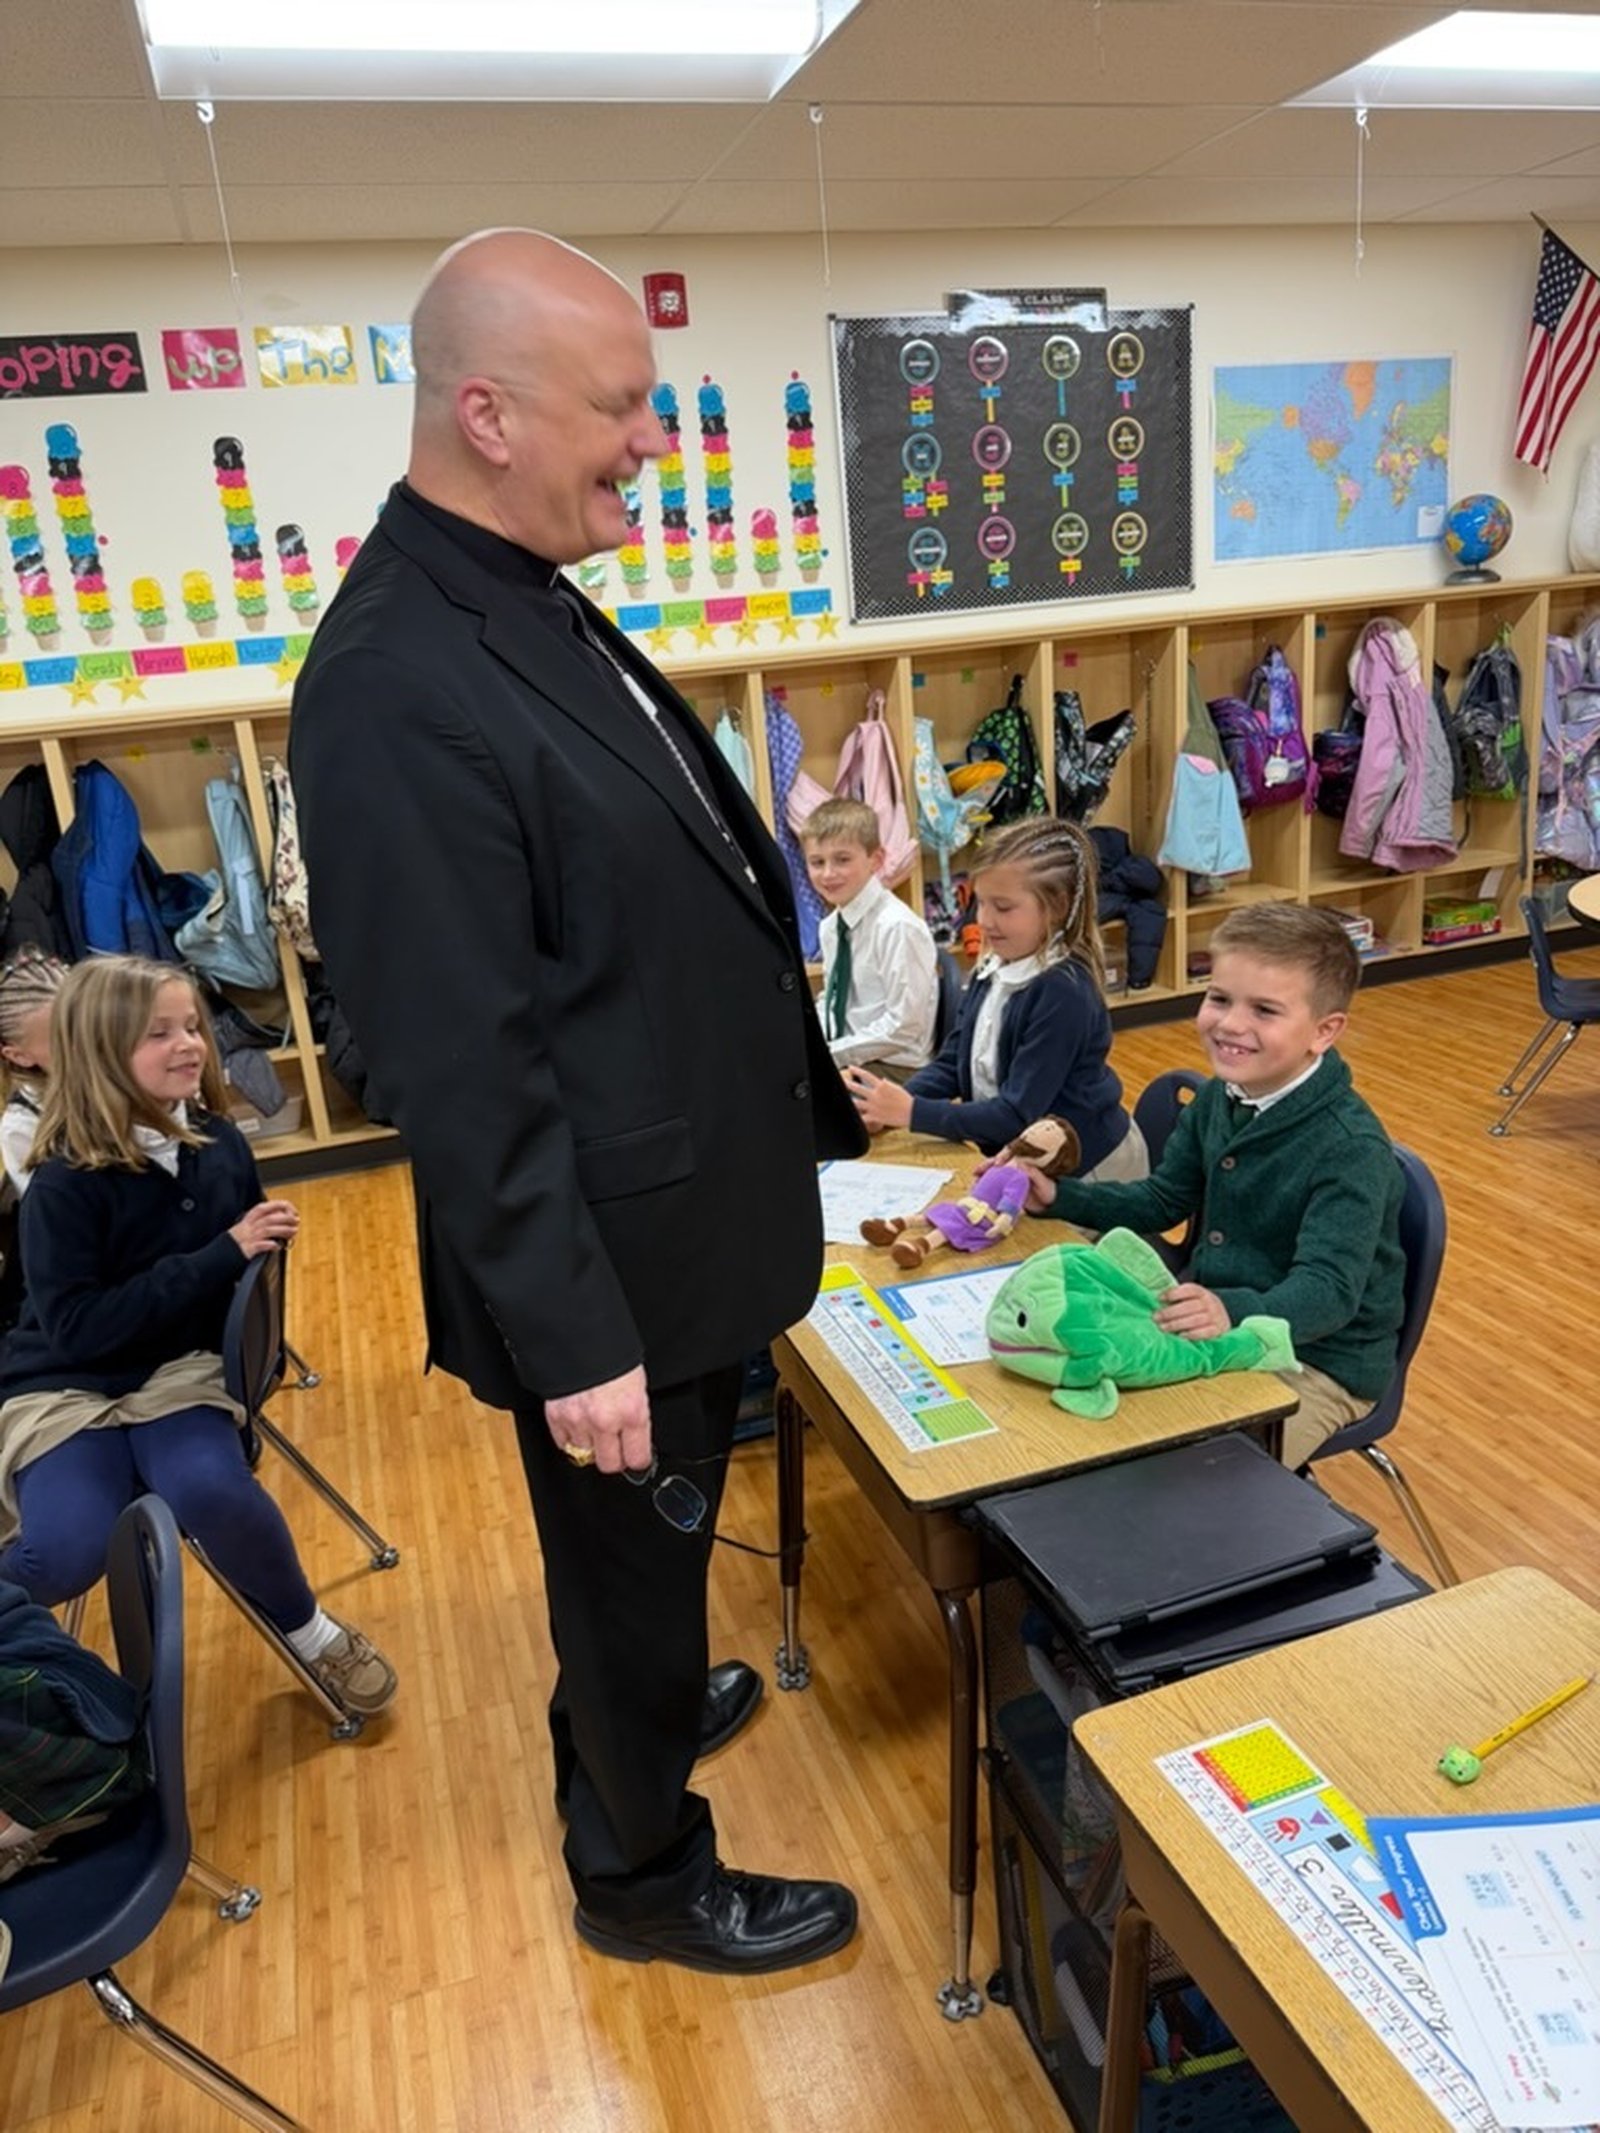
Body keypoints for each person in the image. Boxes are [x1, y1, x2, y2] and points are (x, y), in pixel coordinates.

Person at [288, 229, 865, 1975]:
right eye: (621, 406)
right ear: (490, 414)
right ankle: (643, 1874)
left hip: (672, 1213)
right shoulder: (394, 676)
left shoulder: (513, 588)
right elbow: (455, 1057)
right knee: (624, 1572)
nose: (650, 441)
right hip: (607, 1271)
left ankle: (645, 1708)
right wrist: (576, 1335)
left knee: (644, 1571)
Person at [0, 956, 397, 1720]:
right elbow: (78, 1330)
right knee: (64, 1548)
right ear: (99, 1051)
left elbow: (234, 1283)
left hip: (176, 1371)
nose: (190, 1044)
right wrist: (221, 1253)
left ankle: (311, 1632)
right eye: (159, 1034)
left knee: (212, 1488)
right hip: (67, 1386)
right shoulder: (60, 1183)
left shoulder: (220, 1143)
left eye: (192, 1026)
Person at [1009, 904, 1406, 1471]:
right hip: (1222, 1322)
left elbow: (1327, 1293)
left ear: (1324, 1031)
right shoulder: (1223, 1096)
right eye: (1220, 998)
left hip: (1318, 1360)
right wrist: (1060, 1197)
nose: (1230, 1024)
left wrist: (1230, 1308)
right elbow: (1162, 1199)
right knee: (1083, 1413)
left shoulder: (1350, 1147)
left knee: (1200, 1483)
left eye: (1264, 1010)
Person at [847, 816, 1146, 1176]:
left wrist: (912, 1112)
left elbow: (1017, 1114)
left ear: (1057, 907)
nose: (985, 920)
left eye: (1003, 907)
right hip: (1022, 1160)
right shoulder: (993, 967)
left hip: (1088, 1171)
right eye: (980, 903)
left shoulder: (1062, 992)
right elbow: (952, 1063)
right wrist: (887, 1104)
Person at [804, 796, 938, 1078]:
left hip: (899, 1067)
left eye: (842, 860)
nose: (828, 874)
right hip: (853, 1057)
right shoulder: (831, 927)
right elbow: (833, 998)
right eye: (817, 862)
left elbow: (904, 1026)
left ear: (876, 860)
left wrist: (831, 1054)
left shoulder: (897, 926)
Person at [0, 948, 68, 1199]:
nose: (86, 1044)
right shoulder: (23, 1126)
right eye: (63, 1040)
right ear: (19, 1056)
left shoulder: (137, 1068)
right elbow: (51, 1212)